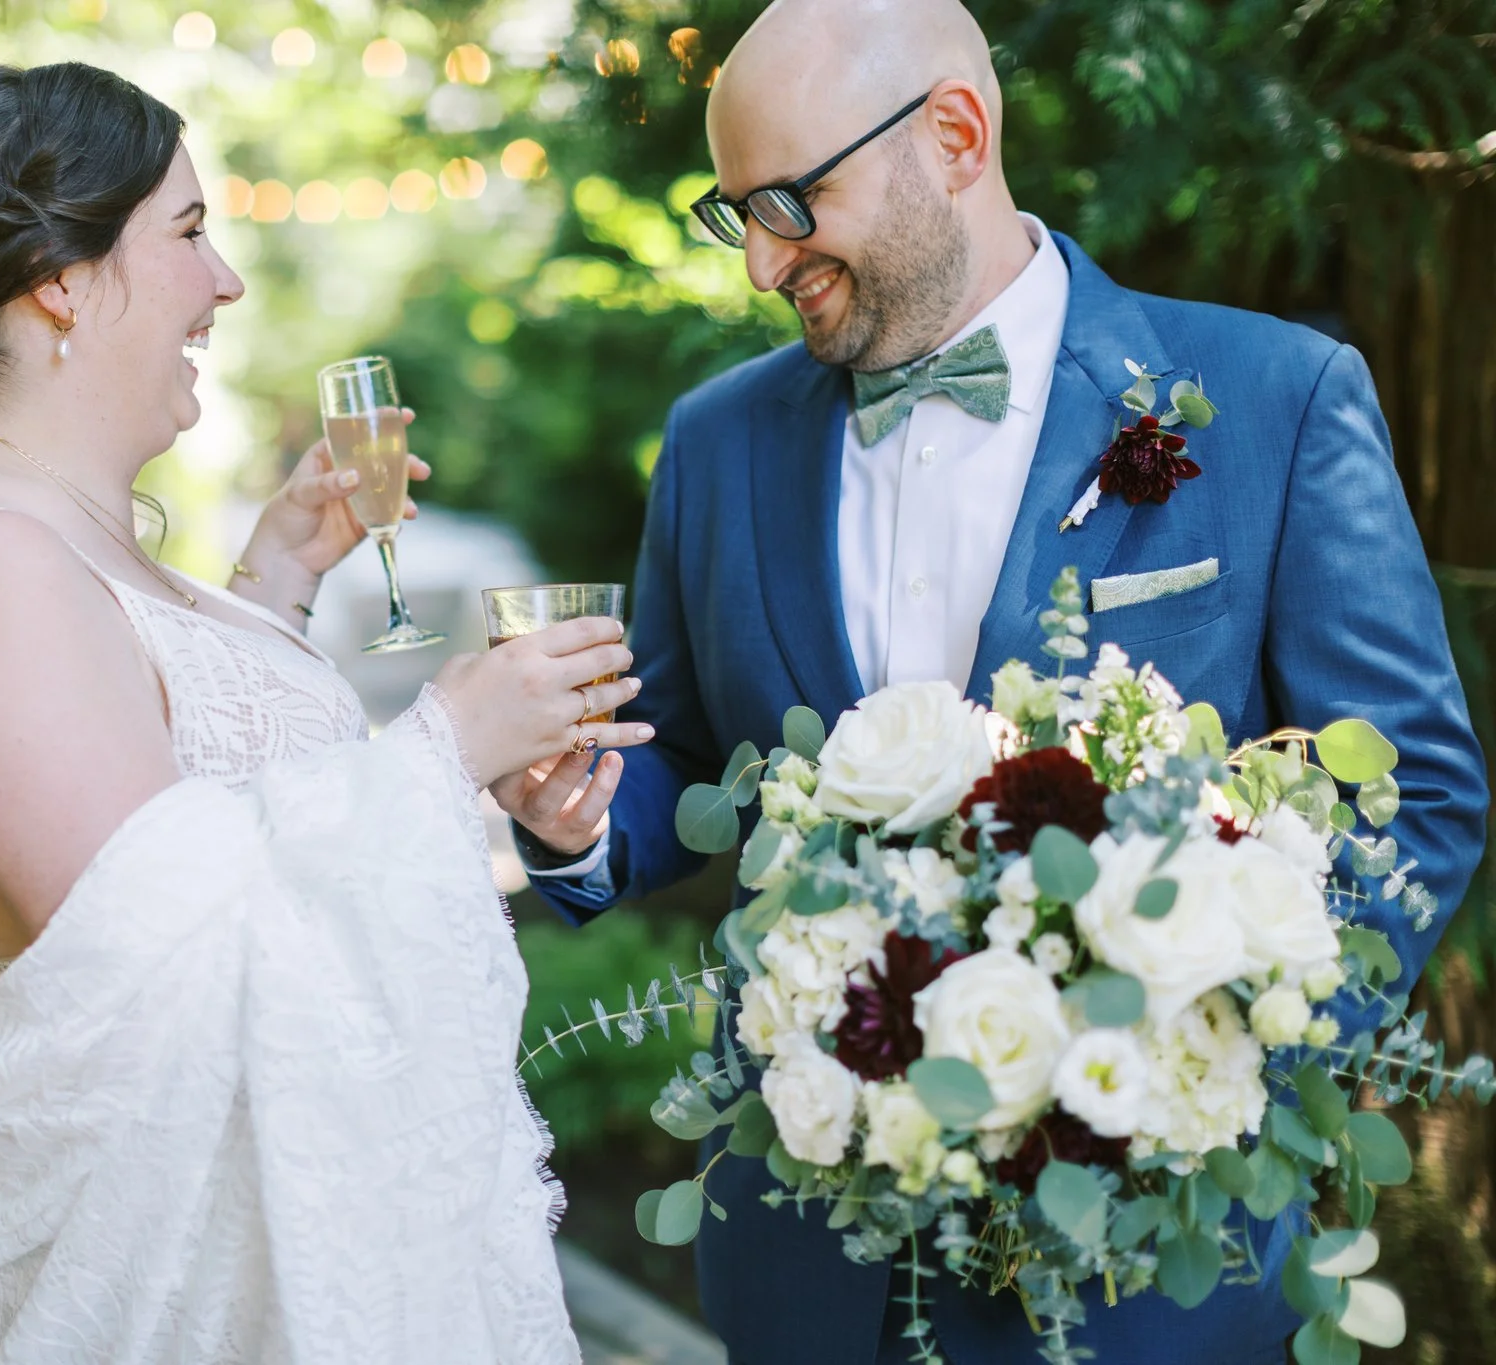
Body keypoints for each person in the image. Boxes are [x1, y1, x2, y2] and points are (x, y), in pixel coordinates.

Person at [498, 1, 1489, 1362]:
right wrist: (576, 818)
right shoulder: (716, 444)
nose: (763, 266)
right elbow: (672, 762)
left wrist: (1198, 1064)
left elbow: (1414, 796)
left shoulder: (1271, 399)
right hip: (808, 1273)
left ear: (956, 134)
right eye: (738, 217)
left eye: (793, 201)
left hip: (1147, 1274)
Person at [0, 62, 642, 1364]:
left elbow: (163, 784)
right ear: (62, 281)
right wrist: (445, 750)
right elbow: (151, 942)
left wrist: (281, 579)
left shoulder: (41, 527)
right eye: (190, 235)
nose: (226, 283)